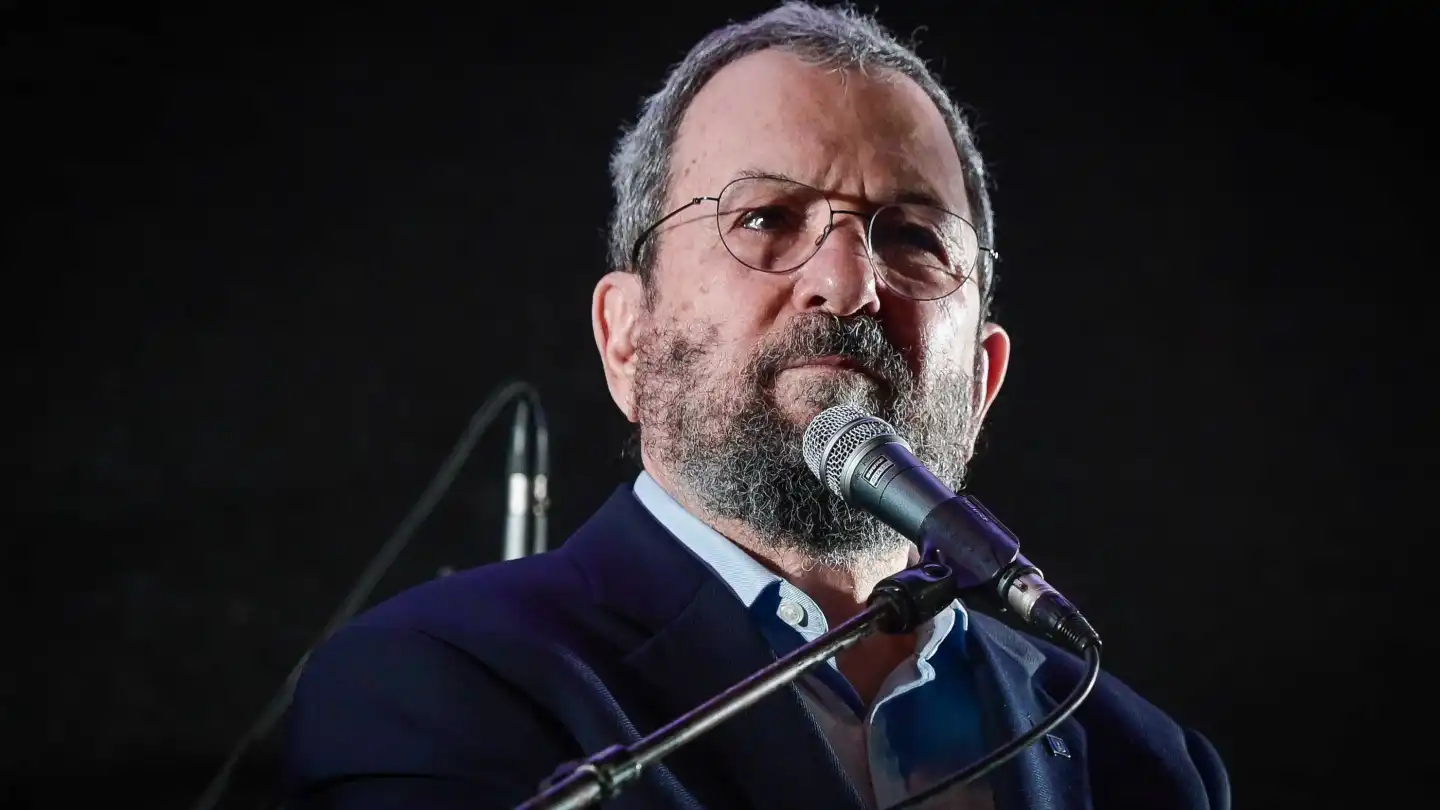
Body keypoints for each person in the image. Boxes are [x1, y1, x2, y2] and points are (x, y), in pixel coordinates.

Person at [282, 4, 1230, 809]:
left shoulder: (1147, 766)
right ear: (627, 338)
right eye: (766, 218)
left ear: (983, 379)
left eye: (912, 236)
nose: (847, 283)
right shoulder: (429, 684)